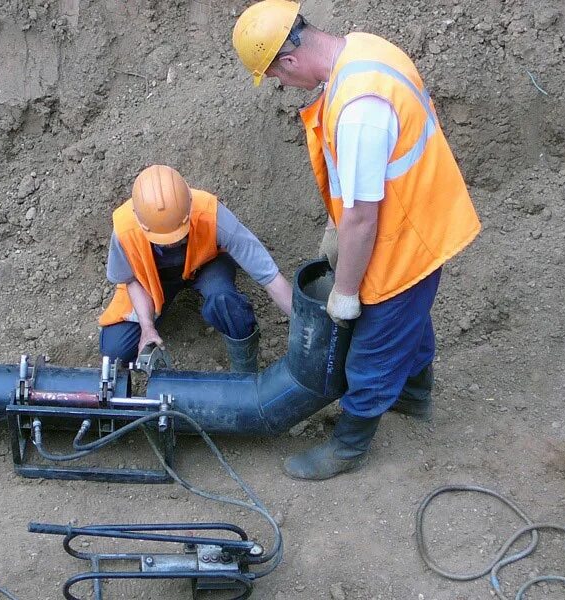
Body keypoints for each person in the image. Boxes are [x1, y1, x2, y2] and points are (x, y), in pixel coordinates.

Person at [232, 0, 481, 478]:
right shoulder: (364, 50)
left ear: (288, 60)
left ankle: (348, 447)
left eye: (278, 77)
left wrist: (345, 292)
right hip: (424, 217)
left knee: (373, 345)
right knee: (410, 323)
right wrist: (335, 223)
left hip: (406, 241)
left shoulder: (360, 108)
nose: (284, 86)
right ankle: (413, 396)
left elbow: (364, 218)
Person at [98, 164, 293, 372]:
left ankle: (245, 368)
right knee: (115, 349)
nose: (172, 244)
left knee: (223, 298)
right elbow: (130, 279)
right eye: (163, 240)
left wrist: (307, 326)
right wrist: (147, 328)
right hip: (154, 278)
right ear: (139, 218)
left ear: (190, 202)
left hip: (207, 266)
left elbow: (270, 278)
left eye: (178, 235)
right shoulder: (125, 229)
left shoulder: (211, 214)